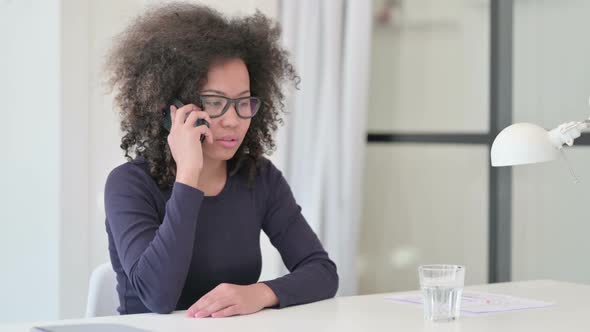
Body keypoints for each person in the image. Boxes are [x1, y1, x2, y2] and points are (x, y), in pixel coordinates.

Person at [103, 3, 338, 318]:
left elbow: (322, 271)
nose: (233, 120)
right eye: (214, 103)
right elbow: (157, 297)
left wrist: (261, 293)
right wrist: (189, 174)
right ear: (172, 109)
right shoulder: (129, 184)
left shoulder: (259, 177)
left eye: (243, 102)